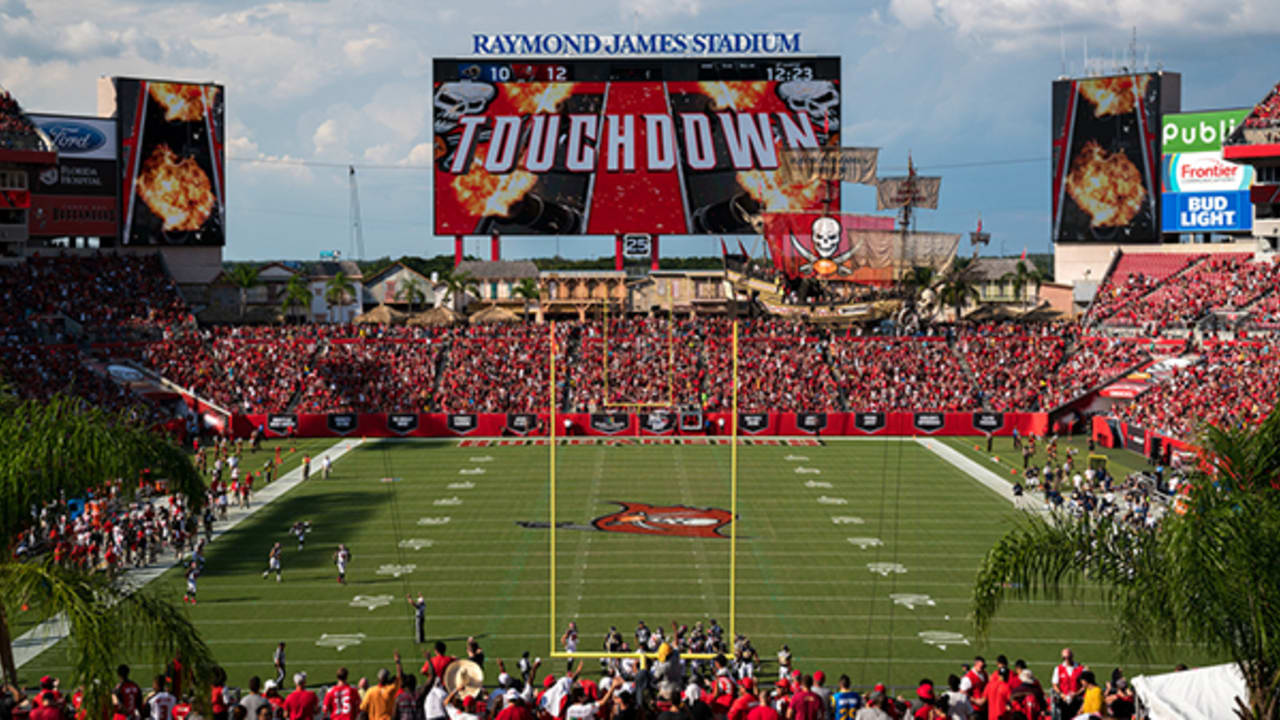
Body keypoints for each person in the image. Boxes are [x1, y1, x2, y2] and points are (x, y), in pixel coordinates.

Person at [360, 651, 404, 720]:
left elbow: (363, 709)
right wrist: (398, 662)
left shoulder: (371, 691)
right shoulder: (390, 689)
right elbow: (400, 677)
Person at [1051, 648, 1083, 720]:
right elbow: (1055, 685)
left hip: (1077, 700)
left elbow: (1084, 686)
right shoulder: (1058, 669)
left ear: (1072, 656)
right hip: (1064, 700)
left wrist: (1076, 694)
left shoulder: (1080, 668)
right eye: (1064, 658)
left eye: (1068, 657)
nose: (1066, 659)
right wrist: (1062, 695)